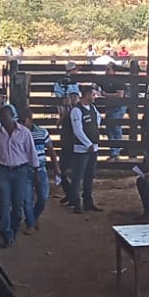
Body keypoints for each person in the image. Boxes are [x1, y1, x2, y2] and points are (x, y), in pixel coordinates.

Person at [0, 104, 40, 246]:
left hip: (20, 170)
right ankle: (6, 234)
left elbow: (31, 153)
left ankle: (14, 228)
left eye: (4, 116)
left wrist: (36, 171)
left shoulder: (24, 132)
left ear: (12, 116)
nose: (2, 119)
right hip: (2, 170)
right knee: (4, 204)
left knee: (18, 206)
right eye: (0, 117)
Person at [67, 82, 101, 212]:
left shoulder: (92, 108)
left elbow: (98, 120)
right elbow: (77, 130)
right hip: (82, 148)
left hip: (92, 146)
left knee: (89, 175)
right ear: (87, 95)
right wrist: (88, 144)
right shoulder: (76, 110)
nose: (95, 96)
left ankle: (88, 201)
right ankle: (76, 202)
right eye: (93, 94)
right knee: (78, 175)